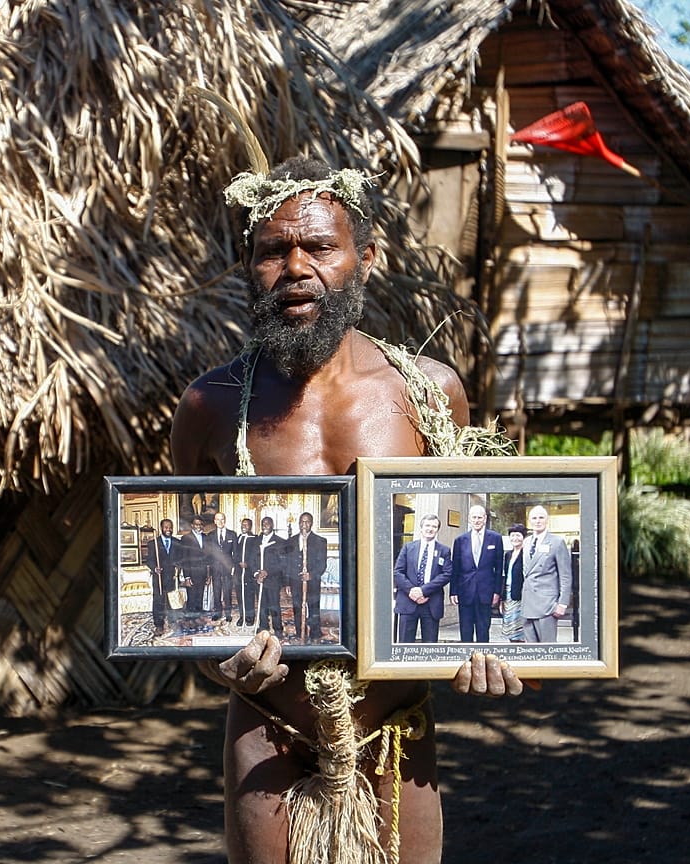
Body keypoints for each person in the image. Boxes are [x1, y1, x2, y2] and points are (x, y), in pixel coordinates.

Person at [170, 154, 520, 864]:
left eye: (319, 246)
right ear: (252, 267)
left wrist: (495, 648)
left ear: (366, 257)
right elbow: (187, 598)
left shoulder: (429, 393)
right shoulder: (209, 407)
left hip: (396, 729)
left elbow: (466, 559)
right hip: (267, 728)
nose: (296, 267)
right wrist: (219, 661)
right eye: (274, 251)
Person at [393, 513, 452, 643]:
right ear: (421, 528)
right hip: (408, 602)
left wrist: (423, 591)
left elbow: (447, 574)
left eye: (434, 526)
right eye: (427, 525)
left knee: (429, 647)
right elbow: (398, 572)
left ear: (437, 530)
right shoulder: (408, 547)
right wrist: (412, 591)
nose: (430, 529)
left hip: (431, 603)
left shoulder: (444, 550)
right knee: (405, 645)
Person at [450, 503, 503, 643]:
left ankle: (482, 661)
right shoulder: (460, 540)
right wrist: (453, 591)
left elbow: (499, 568)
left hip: (486, 593)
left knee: (483, 631)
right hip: (465, 592)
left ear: (485, 518)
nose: (477, 520)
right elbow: (455, 568)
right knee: (465, 631)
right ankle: (467, 662)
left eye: (480, 517)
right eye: (474, 517)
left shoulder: (495, 538)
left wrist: (497, 592)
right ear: (469, 519)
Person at [521, 505, 574, 643]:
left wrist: (562, 603)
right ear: (529, 521)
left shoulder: (557, 542)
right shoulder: (526, 542)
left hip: (547, 605)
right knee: (530, 652)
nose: (537, 521)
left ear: (547, 520)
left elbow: (565, 576)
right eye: (534, 518)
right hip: (527, 604)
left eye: (541, 517)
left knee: (547, 651)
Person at [291, 511, 327, 642]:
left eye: (306, 522)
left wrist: (311, 575)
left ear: (311, 523)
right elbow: (287, 563)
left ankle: (315, 633)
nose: (304, 524)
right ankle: (300, 633)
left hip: (312, 582)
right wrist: (289, 582)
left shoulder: (320, 541)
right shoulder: (291, 541)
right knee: (297, 607)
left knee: (313, 607)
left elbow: (322, 564)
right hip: (295, 581)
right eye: (301, 521)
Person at [179, 514, 214, 632]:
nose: (198, 526)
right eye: (196, 524)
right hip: (192, 573)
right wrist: (187, 577)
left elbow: (209, 557)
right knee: (192, 597)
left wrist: (208, 575)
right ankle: (189, 620)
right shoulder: (185, 538)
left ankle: (197, 617)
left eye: (200, 524)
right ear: (192, 525)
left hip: (203, 573)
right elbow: (184, 559)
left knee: (199, 596)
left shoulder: (206, 537)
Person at [252, 515, 286, 634]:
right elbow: (251, 559)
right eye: (263, 524)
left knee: (274, 604)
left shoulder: (280, 542)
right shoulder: (255, 541)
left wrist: (267, 572)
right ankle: (263, 627)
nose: (264, 526)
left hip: (273, 579)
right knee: (262, 604)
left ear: (272, 525)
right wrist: (257, 573)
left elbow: (282, 563)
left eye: (267, 523)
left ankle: (277, 628)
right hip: (259, 580)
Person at [147, 518, 180, 636]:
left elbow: (180, 559)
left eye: (170, 527)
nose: (169, 529)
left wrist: (178, 567)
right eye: (166, 527)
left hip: (171, 576)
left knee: (171, 600)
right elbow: (149, 560)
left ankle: (172, 621)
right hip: (158, 577)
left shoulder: (177, 542)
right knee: (158, 601)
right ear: (162, 528)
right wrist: (155, 568)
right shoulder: (153, 543)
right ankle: (159, 625)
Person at [210, 510, 239, 623]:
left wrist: (233, 567)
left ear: (225, 521)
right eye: (218, 519)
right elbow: (209, 553)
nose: (220, 521)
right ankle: (217, 613)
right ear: (214, 521)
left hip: (228, 568)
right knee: (216, 591)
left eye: (222, 519)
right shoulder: (211, 535)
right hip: (215, 567)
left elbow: (236, 553)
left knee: (227, 592)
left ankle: (228, 614)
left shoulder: (232, 534)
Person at [500, 523, 527, 642]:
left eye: (518, 535)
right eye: (512, 535)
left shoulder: (526, 554)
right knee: (510, 628)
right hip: (508, 594)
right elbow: (504, 575)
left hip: (521, 595)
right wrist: (502, 598)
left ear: (524, 537)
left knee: (520, 629)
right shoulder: (508, 555)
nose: (515, 538)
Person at [234, 516, 260, 626]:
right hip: (239, 572)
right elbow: (235, 553)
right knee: (239, 594)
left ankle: (250, 617)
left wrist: (248, 564)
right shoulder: (238, 537)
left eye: (246, 525)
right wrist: (238, 563)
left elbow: (256, 555)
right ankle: (242, 616)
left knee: (249, 595)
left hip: (249, 572)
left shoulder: (254, 539)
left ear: (250, 526)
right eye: (242, 524)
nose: (244, 526)